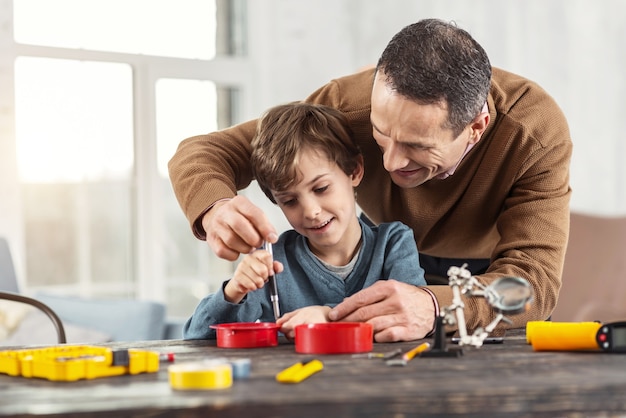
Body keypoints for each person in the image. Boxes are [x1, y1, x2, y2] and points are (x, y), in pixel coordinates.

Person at [169, 18, 572, 342]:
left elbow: (530, 283)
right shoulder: (347, 105)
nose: (392, 163)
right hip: (391, 263)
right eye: (380, 133)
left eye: (415, 145)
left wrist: (434, 305)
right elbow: (205, 152)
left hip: (484, 276)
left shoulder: (535, 134)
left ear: (476, 126)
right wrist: (215, 206)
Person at [183, 103, 426, 340]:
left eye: (321, 188)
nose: (310, 211)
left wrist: (329, 317)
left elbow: (408, 316)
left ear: (354, 171)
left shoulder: (394, 243)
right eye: (289, 201)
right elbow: (195, 335)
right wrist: (235, 291)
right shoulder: (272, 261)